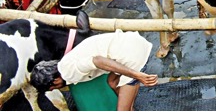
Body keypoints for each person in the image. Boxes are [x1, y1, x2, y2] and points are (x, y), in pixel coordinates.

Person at [30, 30, 158, 111]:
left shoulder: (69, 71)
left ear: (55, 79)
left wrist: (136, 75)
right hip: (129, 42)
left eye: (52, 87)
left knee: (121, 110)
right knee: (112, 83)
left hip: (132, 55)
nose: (55, 89)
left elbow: (98, 61)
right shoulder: (64, 63)